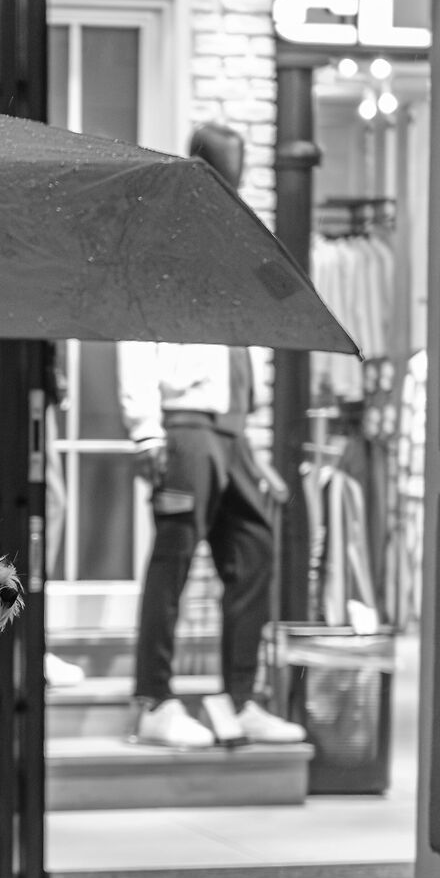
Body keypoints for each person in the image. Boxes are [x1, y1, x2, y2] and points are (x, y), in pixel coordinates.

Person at [115, 124, 306, 750]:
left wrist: (251, 444)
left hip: (230, 430)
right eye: (226, 174)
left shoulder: (236, 242)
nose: (234, 186)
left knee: (255, 551)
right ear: (199, 168)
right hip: (186, 423)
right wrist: (146, 432)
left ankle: (239, 699)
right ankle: (154, 701)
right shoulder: (164, 242)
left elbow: (262, 320)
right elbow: (136, 332)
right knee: (173, 560)